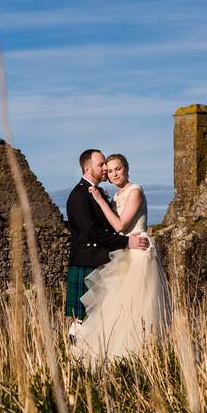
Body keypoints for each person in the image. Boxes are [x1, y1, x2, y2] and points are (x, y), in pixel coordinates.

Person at [70, 153, 171, 362]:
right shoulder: (105, 196)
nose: (112, 173)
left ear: (126, 168)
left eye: (117, 168)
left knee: (139, 307)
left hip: (139, 253)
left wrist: (99, 199)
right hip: (123, 253)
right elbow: (100, 229)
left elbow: (120, 226)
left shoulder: (135, 191)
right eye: (108, 169)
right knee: (117, 308)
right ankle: (114, 354)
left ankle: (141, 354)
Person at [65, 149, 148, 343]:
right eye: (101, 165)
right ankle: (77, 359)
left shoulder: (98, 192)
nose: (105, 169)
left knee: (106, 318)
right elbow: (92, 232)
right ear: (87, 168)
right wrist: (127, 242)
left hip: (102, 261)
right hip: (87, 261)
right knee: (82, 320)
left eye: (109, 166)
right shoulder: (80, 195)